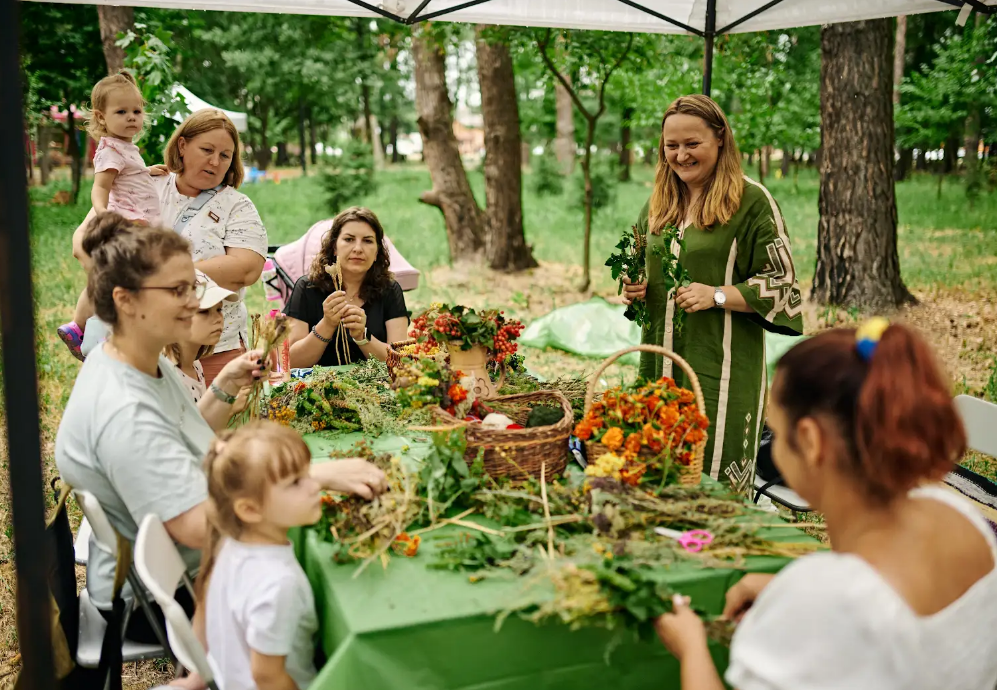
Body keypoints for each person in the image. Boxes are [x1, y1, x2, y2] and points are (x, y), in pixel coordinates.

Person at [55, 213, 388, 647]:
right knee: (337, 586)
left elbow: (190, 429)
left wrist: (225, 386)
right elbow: (199, 526)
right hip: (161, 597)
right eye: (178, 290)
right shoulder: (124, 411)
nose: (194, 302)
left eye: (191, 286)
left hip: (190, 567)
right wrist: (315, 476)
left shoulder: (134, 355)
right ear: (126, 301)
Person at [654, 320, 997, 690]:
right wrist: (786, 593)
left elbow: (851, 607)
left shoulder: (828, 596)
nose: (772, 448)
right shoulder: (961, 518)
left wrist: (691, 647)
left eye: (777, 434)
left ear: (811, 441)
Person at [622, 95, 803, 494]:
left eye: (692, 144)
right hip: (659, 365)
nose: (681, 155)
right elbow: (634, 262)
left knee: (714, 487)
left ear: (720, 139)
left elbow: (782, 283)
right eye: (672, 146)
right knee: (659, 472)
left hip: (723, 369)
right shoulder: (658, 203)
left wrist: (718, 295)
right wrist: (631, 287)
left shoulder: (752, 201)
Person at [70, 109, 269, 385]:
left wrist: (147, 277)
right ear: (183, 145)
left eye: (225, 155)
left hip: (213, 349)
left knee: (221, 426)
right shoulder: (141, 182)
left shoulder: (237, 206)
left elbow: (244, 270)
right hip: (139, 347)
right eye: (207, 149)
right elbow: (83, 242)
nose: (215, 161)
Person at [200, 422, 321, 690]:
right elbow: (267, 676)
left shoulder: (229, 544)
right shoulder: (279, 585)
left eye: (308, 474)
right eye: (296, 483)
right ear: (251, 510)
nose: (314, 487)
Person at [57, 72, 161, 361]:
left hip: (132, 223)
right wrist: (104, 216)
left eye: (137, 111)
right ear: (102, 117)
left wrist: (146, 171)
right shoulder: (111, 150)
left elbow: (125, 176)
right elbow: (100, 187)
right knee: (107, 277)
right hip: (123, 224)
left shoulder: (124, 147)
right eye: (122, 112)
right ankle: (82, 328)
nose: (132, 117)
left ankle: (93, 329)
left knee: (113, 277)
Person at [284, 207, 409, 367]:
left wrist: (362, 336)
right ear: (334, 247)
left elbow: (400, 362)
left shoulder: (389, 290)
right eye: (349, 239)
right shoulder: (308, 288)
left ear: (377, 251)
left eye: (368, 240)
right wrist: (327, 324)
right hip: (316, 389)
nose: (358, 248)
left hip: (375, 388)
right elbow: (292, 362)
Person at [164, 271, 237, 403]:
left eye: (219, 309)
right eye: (204, 311)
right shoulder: (168, 377)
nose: (218, 319)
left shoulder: (195, 366)